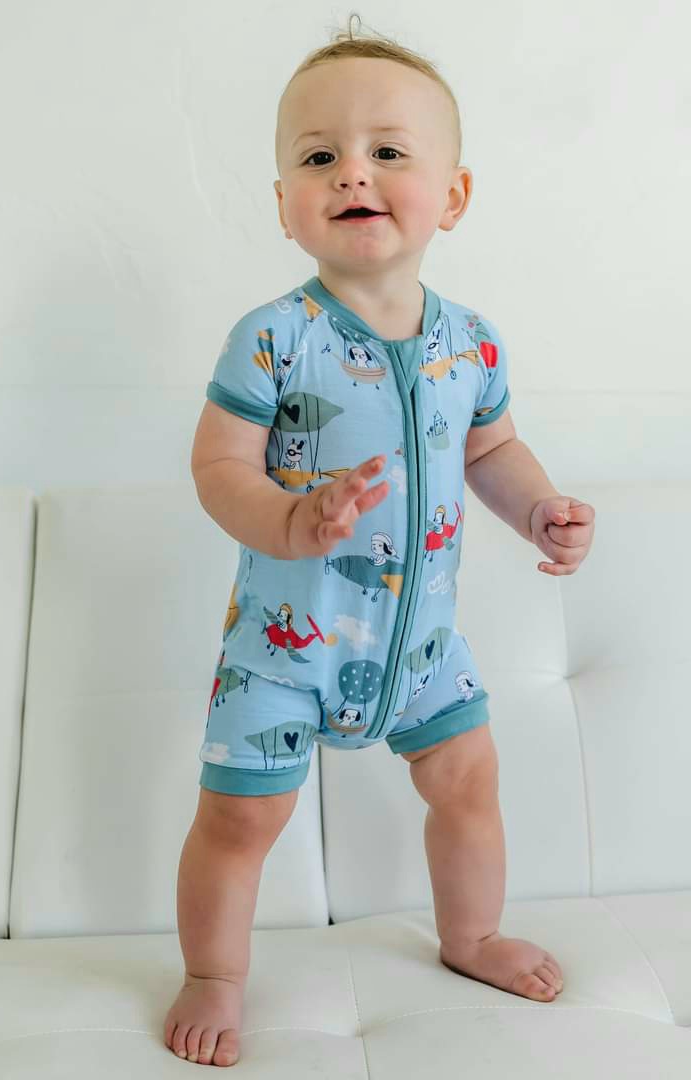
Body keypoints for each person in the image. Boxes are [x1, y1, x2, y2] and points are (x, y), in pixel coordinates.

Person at [164, 14, 595, 1066]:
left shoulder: (471, 343)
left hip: (424, 651)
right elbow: (219, 466)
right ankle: (214, 972)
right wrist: (290, 518)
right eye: (320, 157)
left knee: (470, 783)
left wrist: (538, 507)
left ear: (453, 194)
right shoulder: (275, 337)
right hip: (285, 650)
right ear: (285, 204)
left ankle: (471, 935)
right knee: (239, 823)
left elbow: (492, 450)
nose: (352, 171)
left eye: (388, 150)